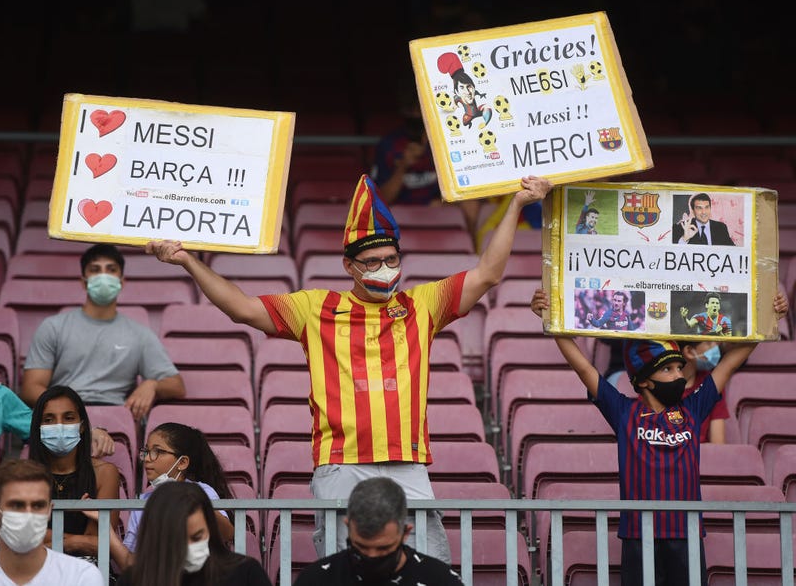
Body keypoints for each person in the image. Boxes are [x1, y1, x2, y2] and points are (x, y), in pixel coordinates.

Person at [146, 172, 552, 563]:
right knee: (345, 570)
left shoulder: (421, 305)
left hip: (407, 462)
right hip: (340, 462)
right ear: (349, 266)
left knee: (423, 570)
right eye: (372, 262)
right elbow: (241, 308)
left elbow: (488, 274)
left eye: (391, 259)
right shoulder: (315, 307)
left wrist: (516, 203)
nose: (385, 269)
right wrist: (188, 262)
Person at [530, 287, 789, 585]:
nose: (679, 375)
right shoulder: (623, 412)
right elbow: (583, 367)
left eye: (679, 366)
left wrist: (770, 316)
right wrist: (550, 320)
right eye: (668, 369)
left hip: (687, 535)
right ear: (643, 381)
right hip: (639, 537)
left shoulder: (695, 406)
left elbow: (730, 362)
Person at [20, 243, 186, 421]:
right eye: (95, 269)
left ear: (122, 281)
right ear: (83, 281)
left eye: (111, 269)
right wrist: (67, 412)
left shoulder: (140, 334)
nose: (103, 276)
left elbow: (177, 386)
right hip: (65, 416)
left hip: (116, 415)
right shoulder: (53, 327)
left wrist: (152, 385)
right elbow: (31, 388)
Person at [89, 421, 236, 571]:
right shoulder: (143, 501)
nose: (146, 458)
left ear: (182, 462)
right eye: (146, 451)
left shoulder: (202, 491)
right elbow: (130, 564)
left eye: (157, 452)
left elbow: (227, 533)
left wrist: (193, 499)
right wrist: (105, 527)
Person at [294, 476, 464, 585]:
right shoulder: (316, 580)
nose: (372, 556)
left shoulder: (441, 581)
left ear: (405, 533)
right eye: (361, 547)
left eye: (383, 548)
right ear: (348, 526)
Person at [370, 86, 481, 237]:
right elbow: (382, 199)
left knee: (471, 202)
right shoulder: (389, 144)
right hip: (400, 210)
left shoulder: (446, 141)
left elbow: (462, 186)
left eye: (419, 110)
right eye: (411, 110)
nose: (416, 115)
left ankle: (470, 253)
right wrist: (402, 167)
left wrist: (441, 201)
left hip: (436, 207)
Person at [116, 480, 270, 586]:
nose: (190, 547)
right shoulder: (134, 580)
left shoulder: (245, 573)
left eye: (198, 537)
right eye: (179, 540)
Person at [27, 385, 120, 560]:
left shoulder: (104, 473)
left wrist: (43, 539)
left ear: (82, 426)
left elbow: (100, 544)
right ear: (38, 427)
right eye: (48, 420)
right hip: (35, 569)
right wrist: (74, 542)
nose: (59, 426)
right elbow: (17, 537)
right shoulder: (23, 476)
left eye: (68, 418)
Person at [0, 458, 103, 585]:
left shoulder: (81, 576)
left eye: (38, 505)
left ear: (49, 511)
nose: (28, 514)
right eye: (17, 505)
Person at [679, 340, 729, 443]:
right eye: (709, 342)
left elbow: (718, 443)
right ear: (689, 351)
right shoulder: (658, 387)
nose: (716, 347)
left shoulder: (711, 382)